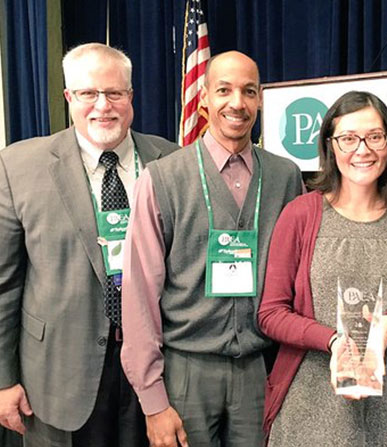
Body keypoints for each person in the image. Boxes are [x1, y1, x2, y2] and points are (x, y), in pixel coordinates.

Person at [120, 50, 304, 447]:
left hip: (261, 368)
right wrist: (153, 401)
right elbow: (139, 294)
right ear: (203, 97)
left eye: (248, 91)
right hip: (185, 371)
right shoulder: (163, 178)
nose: (236, 103)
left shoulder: (286, 177)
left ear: (259, 100)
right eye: (224, 90)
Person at [0, 43, 178, 447]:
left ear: (131, 97)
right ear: (69, 97)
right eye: (88, 93)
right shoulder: (17, 167)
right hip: (57, 376)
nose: (103, 105)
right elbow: (4, 285)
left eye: (115, 93)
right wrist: (2, 380)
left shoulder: (171, 161)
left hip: (155, 371)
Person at [258, 91, 387, 447]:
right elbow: (271, 313)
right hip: (312, 395)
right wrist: (332, 341)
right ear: (330, 145)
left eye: (375, 136)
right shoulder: (300, 215)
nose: (363, 150)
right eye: (348, 138)